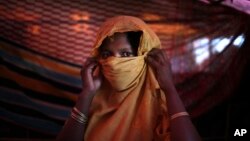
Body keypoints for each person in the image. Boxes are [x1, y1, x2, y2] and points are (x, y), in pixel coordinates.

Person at [56, 16, 201, 141]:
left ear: (147, 57)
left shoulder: (159, 107)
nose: (113, 62)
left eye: (125, 54)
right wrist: (86, 94)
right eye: (107, 54)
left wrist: (169, 88)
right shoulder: (93, 102)